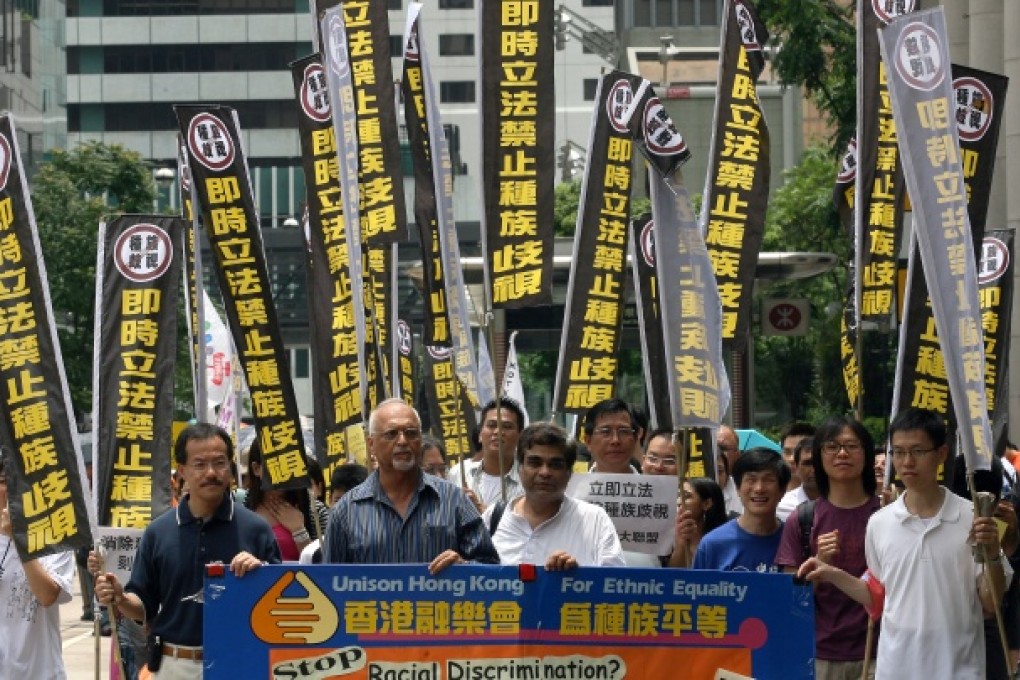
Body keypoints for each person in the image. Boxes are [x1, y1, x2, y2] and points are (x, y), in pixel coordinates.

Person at [798, 407, 1012, 680]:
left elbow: (990, 602)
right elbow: (878, 595)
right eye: (898, 452)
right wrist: (831, 574)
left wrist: (992, 553)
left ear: (941, 454)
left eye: (918, 451)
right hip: (896, 668)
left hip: (959, 669)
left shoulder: (972, 518)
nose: (907, 462)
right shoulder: (880, 522)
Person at [94, 423, 280, 678]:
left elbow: (279, 601)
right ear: (182, 470)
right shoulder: (158, 532)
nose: (211, 473)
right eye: (200, 464)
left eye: (219, 463)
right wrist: (120, 598)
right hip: (174, 664)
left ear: (231, 467)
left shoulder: (256, 529)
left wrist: (261, 572)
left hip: (238, 663)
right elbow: (144, 605)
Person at [325, 398, 499, 570]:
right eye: (391, 434)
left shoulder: (454, 500)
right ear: (371, 444)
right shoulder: (346, 511)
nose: (402, 441)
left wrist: (464, 567)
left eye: (411, 433)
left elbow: (491, 569)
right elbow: (327, 582)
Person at [775, 417, 881, 680]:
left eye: (851, 445)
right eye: (832, 446)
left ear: (866, 455)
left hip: (878, 653)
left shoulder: (887, 516)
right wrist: (819, 565)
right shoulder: (802, 519)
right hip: (818, 654)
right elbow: (790, 600)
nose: (842, 453)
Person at [485, 422, 625, 568]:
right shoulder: (494, 516)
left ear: (569, 473)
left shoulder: (594, 521)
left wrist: (577, 579)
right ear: (520, 468)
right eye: (535, 463)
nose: (545, 472)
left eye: (555, 464)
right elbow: (470, 576)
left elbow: (614, 584)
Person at [0, 453, 75, 678]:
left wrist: (18, 539)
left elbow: (47, 595)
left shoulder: (56, 536)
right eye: (4, 481)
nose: (13, 488)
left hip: (42, 672)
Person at [692, 448, 789, 572]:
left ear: (782, 490)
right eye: (751, 480)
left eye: (768, 480)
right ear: (738, 488)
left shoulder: (793, 541)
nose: (759, 488)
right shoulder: (713, 544)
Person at [244, 440, 327, 561]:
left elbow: (326, 564)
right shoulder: (239, 506)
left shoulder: (316, 510)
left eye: (288, 463)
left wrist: (299, 531)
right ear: (256, 468)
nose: (282, 473)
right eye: (275, 465)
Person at [447, 397, 525, 509]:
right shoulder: (459, 473)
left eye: (507, 427)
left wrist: (483, 513)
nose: (498, 432)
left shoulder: (527, 480)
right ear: (480, 434)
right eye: (491, 425)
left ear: (520, 436)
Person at [299, 463, 370, 565]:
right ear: (330, 500)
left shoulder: (382, 548)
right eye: (338, 500)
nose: (345, 509)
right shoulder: (311, 553)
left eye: (355, 502)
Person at [673, 477, 728, 566]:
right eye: (678, 496)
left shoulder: (725, 537)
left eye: (686, 496)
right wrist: (681, 544)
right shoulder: (671, 534)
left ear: (707, 504)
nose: (679, 502)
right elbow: (672, 574)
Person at [583, 399, 641, 474]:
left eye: (623, 431)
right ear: (588, 441)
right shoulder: (573, 485)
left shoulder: (655, 485)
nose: (615, 440)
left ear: (636, 438)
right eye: (605, 432)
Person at [776, 437, 819, 521]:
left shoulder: (843, 503)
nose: (814, 469)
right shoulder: (782, 507)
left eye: (818, 463)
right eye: (807, 463)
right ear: (796, 467)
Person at [779, 421, 815, 491]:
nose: (792, 459)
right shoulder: (770, 494)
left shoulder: (830, 496)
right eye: (787, 452)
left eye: (798, 452)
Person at [717, 424, 743, 515]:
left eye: (722, 448)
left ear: (737, 455)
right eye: (708, 447)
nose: (715, 453)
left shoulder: (745, 493)